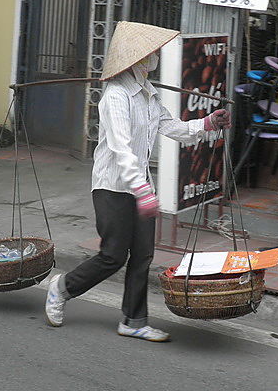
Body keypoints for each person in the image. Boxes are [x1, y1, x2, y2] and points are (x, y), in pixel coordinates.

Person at [44, 21, 231, 342]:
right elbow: (120, 147)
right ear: (136, 59)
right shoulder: (116, 97)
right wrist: (142, 189)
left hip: (140, 188)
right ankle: (62, 288)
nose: (155, 56)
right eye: (151, 53)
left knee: (143, 255)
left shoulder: (147, 94)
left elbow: (172, 127)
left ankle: (133, 320)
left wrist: (208, 122)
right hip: (113, 187)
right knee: (113, 255)